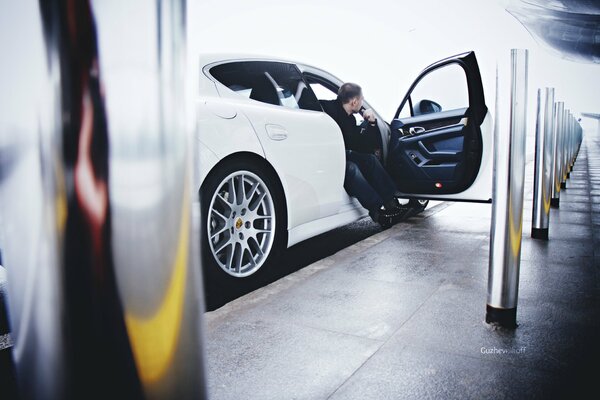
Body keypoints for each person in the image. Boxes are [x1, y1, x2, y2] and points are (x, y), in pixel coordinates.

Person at [321, 82, 406, 227]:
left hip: (343, 156)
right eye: (361, 100)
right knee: (351, 169)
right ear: (354, 101)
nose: (361, 104)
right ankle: (378, 212)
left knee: (370, 160)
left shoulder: (350, 119)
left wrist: (371, 123)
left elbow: (361, 145)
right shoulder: (325, 108)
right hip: (327, 156)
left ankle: (391, 205)